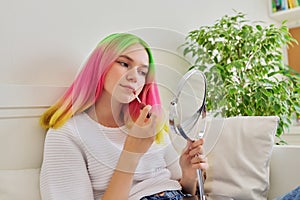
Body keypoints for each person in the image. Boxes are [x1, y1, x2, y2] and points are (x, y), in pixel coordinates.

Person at [39, 32, 208, 200]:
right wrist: (131, 153)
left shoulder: (149, 125)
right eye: (124, 64)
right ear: (100, 66)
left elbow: (183, 189)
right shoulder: (67, 134)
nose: (135, 76)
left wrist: (189, 175)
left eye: (143, 72)